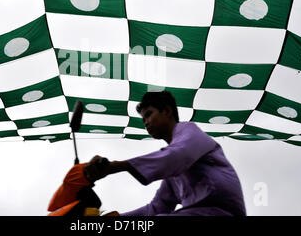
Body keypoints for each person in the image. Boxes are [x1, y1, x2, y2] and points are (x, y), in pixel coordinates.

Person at [83, 90, 246, 216]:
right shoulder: (172, 170)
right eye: (143, 119)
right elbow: (155, 208)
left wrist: (119, 166)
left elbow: (176, 155)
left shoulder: (189, 132)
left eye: (149, 114)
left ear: (167, 111)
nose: (145, 122)